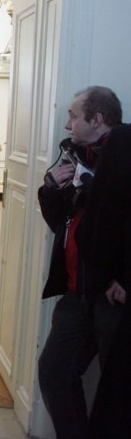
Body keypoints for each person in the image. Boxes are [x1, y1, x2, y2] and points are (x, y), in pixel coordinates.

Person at [36, 86, 124, 439]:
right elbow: (65, 223)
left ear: (97, 119)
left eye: (73, 115)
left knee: (118, 391)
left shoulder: (125, 158)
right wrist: (51, 191)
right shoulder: (78, 155)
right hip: (77, 293)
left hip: (111, 297)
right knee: (55, 373)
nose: (68, 123)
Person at [82, 122, 131, 438]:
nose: (66, 122)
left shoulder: (123, 143)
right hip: (92, 283)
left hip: (112, 288)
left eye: (74, 115)